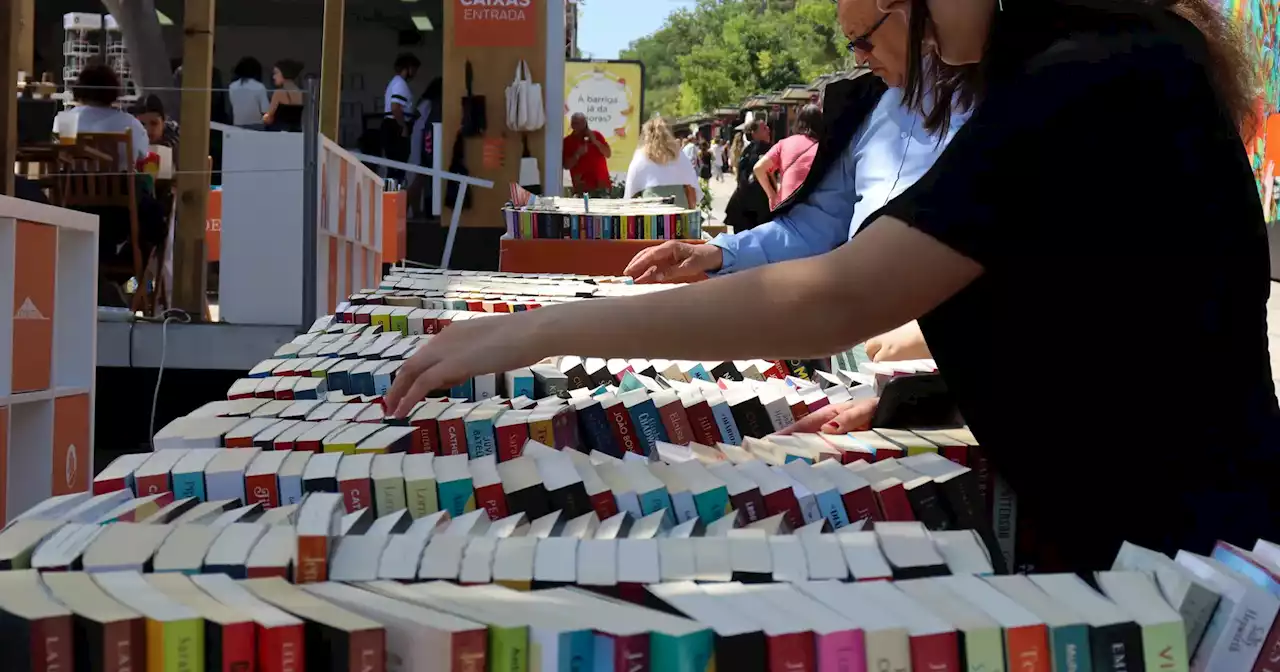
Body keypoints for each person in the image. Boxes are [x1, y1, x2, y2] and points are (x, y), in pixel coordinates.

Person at [387, 0, 1279, 571]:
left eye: (873, 28)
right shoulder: (1109, 63)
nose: (870, 58)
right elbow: (1089, 323)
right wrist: (917, 403)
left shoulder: (1086, 79)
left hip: (1179, 552)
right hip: (1162, 533)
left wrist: (544, 332)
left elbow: (840, 294)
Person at [62, 64, 149, 164]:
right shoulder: (132, 124)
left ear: (79, 90)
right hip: (119, 179)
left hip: (72, 179)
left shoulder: (64, 121)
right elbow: (143, 155)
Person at [622, 116, 702, 208]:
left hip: (652, 212)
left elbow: (631, 193)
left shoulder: (641, 157)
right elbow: (690, 189)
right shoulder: (678, 155)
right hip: (679, 210)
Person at [755, 104, 822, 209]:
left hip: (787, 206)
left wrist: (771, 195)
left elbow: (758, 168)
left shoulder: (784, 143)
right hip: (815, 207)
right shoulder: (824, 148)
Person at [723, 119, 773, 232]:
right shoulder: (763, 148)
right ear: (754, 134)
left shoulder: (746, 151)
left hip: (742, 207)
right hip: (757, 208)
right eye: (764, 128)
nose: (768, 130)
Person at [407, 77, 443, 217]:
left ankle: (414, 211)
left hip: (419, 139)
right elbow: (429, 126)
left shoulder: (423, 103)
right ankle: (407, 208)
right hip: (424, 140)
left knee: (419, 177)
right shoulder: (431, 105)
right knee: (420, 177)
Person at [383, 53, 421, 182]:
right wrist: (403, 127)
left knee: (394, 168)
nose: (415, 73)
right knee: (397, 168)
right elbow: (395, 108)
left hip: (392, 125)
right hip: (396, 127)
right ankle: (393, 198)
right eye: (414, 69)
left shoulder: (395, 82)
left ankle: (392, 196)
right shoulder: (400, 84)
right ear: (408, 68)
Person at [563, 112, 613, 196]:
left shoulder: (596, 135)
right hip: (583, 187)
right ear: (572, 125)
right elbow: (566, 165)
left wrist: (595, 142)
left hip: (602, 185)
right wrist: (577, 154)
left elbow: (608, 154)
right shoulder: (567, 141)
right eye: (578, 124)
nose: (582, 127)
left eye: (584, 123)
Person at [229, 57, 270, 127]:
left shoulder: (232, 86)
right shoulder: (259, 86)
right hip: (256, 125)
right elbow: (265, 110)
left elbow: (233, 105)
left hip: (238, 124)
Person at [264, 59, 304, 130]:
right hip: (296, 132)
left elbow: (269, 118)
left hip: (279, 133)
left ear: (285, 73)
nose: (274, 77)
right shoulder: (302, 93)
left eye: (276, 73)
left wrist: (263, 117)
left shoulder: (279, 93)